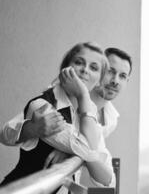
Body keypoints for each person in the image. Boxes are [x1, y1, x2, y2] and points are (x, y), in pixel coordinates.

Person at [0, 45, 132, 189]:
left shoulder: (110, 119)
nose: (115, 81)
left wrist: (74, 154)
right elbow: (7, 132)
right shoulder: (46, 103)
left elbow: (108, 179)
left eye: (123, 76)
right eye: (110, 71)